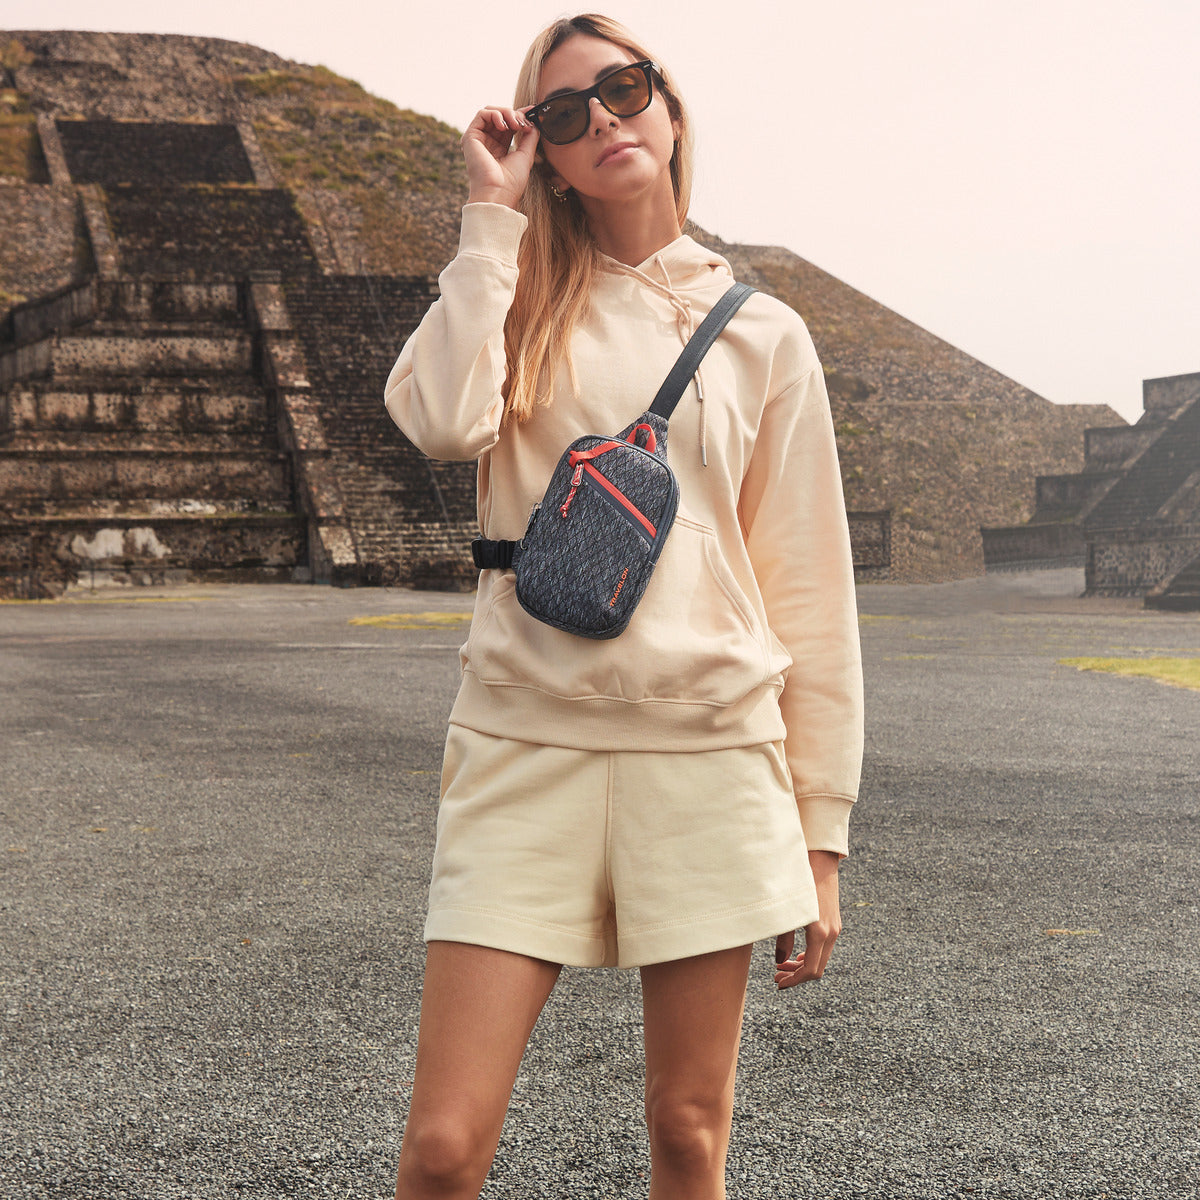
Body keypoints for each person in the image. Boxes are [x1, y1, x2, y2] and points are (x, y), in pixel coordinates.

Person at [383, 13, 863, 1199]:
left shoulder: (765, 333)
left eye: (625, 90)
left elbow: (806, 580)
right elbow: (442, 422)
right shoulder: (511, 286)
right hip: (523, 742)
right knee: (444, 1146)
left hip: (707, 756)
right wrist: (488, 221)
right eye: (561, 113)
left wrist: (822, 832)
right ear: (541, 147)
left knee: (690, 1131)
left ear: (671, 107)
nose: (601, 119)